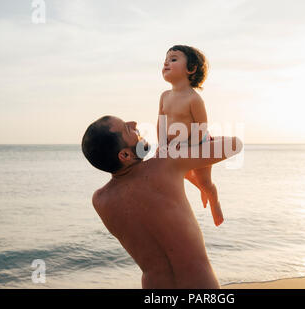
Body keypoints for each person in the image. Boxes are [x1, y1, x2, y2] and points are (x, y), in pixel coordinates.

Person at [81, 115, 242, 289]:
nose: (134, 123)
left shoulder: (100, 201)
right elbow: (235, 145)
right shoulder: (167, 163)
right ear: (125, 155)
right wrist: (198, 143)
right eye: (127, 128)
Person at [158, 44, 224, 227]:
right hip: (175, 145)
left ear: (191, 69)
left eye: (173, 59)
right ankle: (202, 188)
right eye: (165, 60)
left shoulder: (194, 99)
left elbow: (202, 127)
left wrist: (189, 148)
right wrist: (162, 145)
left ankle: (213, 199)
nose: (166, 63)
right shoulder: (164, 96)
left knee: (205, 181)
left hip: (198, 143)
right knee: (183, 173)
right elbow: (161, 123)